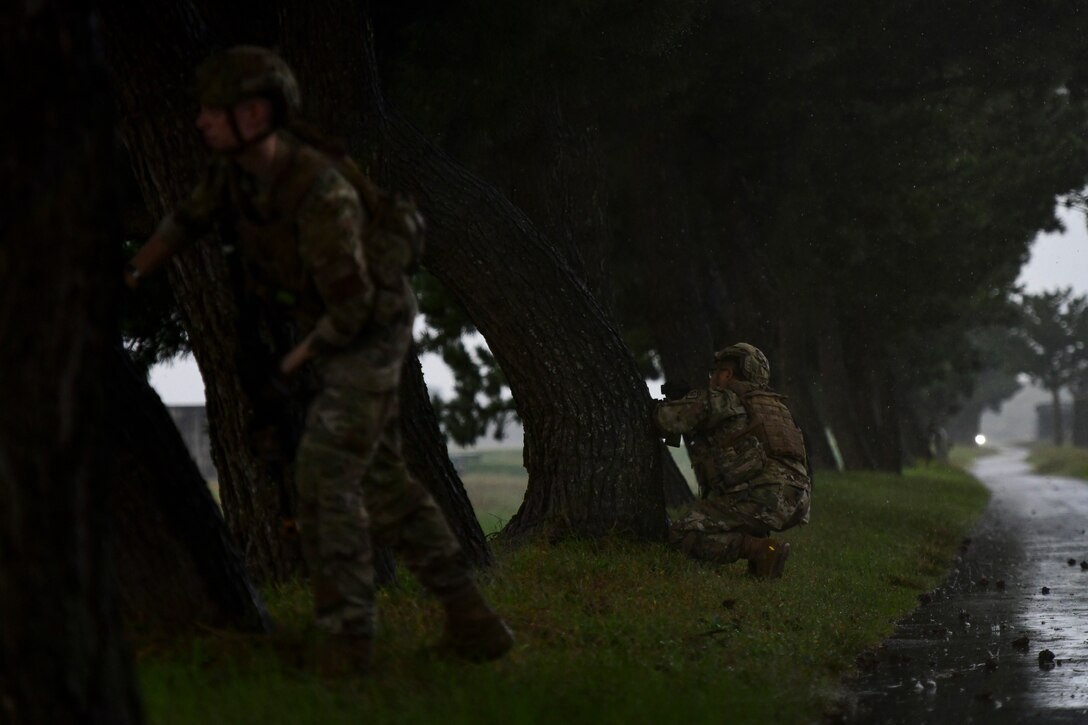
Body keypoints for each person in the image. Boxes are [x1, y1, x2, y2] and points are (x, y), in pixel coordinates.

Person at [124, 46, 513, 671]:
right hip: (332, 331)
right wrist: (130, 275)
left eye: (213, 111)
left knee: (326, 473)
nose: (200, 122)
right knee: (385, 482)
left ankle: (346, 646)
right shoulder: (237, 175)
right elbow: (184, 223)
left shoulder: (320, 191)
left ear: (254, 115)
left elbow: (355, 309)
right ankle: (474, 620)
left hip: (367, 331)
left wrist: (292, 362)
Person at [654, 344, 811, 578]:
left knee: (683, 533)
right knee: (743, 520)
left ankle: (760, 550)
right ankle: (764, 560)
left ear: (727, 374)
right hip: (798, 499)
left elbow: (665, 420)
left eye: (716, 372)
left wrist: (672, 403)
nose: (713, 378)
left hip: (763, 495)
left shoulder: (723, 399)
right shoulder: (776, 406)